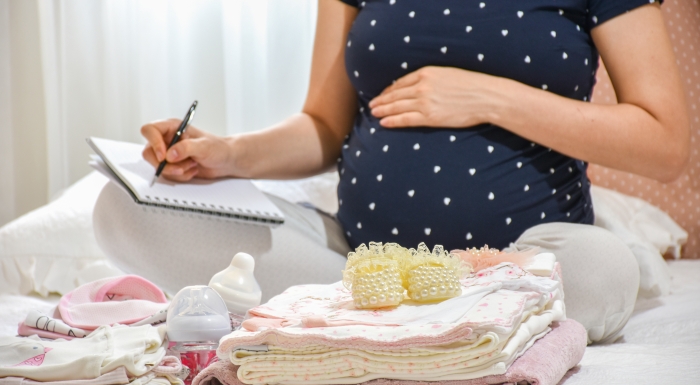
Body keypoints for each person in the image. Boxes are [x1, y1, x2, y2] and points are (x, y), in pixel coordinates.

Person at [93, 0, 689, 344]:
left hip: (520, 262)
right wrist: (228, 152)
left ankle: (362, 325)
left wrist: (490, 98)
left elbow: (664, 143)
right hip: (359, 265)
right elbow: (324, 127)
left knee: (601, 270)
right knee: (124, 212)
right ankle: (438, 329)